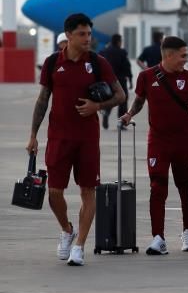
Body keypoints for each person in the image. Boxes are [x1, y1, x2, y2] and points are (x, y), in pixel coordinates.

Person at [26, 13, 125, 266]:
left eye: (89, 34)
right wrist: (33, 135)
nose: (87, 39)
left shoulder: (97, 61)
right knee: (54, 193)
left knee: (88, 191)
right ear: (68, 35)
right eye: (82, 34)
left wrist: (97, 106)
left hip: (87, 138)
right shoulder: (51, 63)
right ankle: (67, 229)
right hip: (58, 138)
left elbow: (120, 95)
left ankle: (79, 245)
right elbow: (42, 99)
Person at [121, 36, 188, 255]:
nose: (186, 60)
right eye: (183, 56)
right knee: (157, 187)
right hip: (158, 142)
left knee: (186, 188)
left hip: (184, 141)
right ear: (168, 55)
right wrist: (130, 113)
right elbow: (140, 100)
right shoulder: (146, 76)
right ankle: (158, 237)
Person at [99, 33, 133, 130]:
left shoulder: (104, 51)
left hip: (107, 80)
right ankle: (121, 123)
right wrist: (130, 79)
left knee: (110, 99)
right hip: (120, 80)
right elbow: (127, 66)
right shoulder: (122, 52)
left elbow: (98, 65)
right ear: (118, 41)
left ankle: (106, 112)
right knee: (122, 100)